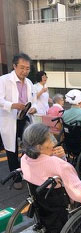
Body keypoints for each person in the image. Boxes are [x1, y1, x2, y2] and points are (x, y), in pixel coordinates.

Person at [21, 123, 81, 203]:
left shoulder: (24, 159)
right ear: (39, 147)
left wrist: (61, 158)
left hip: (42, 205)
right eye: (49, 140)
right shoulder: (58, 164)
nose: (53, 143)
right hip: (67, 201)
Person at [0, 52, 37, 189]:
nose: (25, 71)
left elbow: (34, 101)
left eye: (27, 68)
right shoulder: (3, 80)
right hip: (9, 118)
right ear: (14, 66)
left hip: (24, 117)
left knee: (30, 145)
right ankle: (15, 177)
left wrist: (33, 108)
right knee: (12, 149)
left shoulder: (29, 82)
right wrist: (12, 105)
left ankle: (29, 172)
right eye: (22, 67)